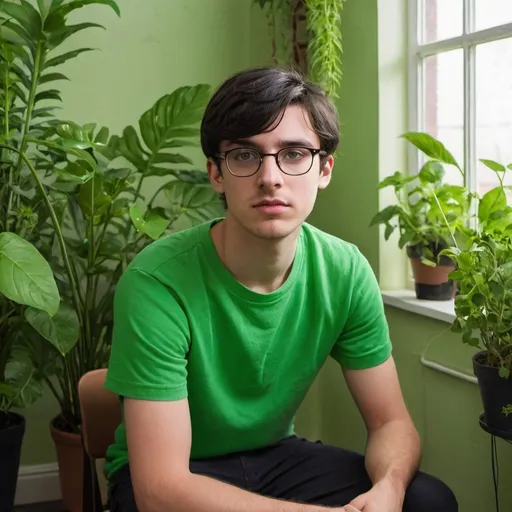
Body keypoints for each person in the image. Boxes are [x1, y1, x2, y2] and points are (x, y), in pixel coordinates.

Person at [104, 67, 458, 512]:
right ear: (216, 173)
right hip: (175, 472)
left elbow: (391, 423)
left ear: (324, 168)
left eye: (293, 154)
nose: (270, 177)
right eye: (245, 156)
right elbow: (161, 489)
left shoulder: (344, 271)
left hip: (275, 458)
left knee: (427, 501)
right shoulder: (157, 282)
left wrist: (388, 488)